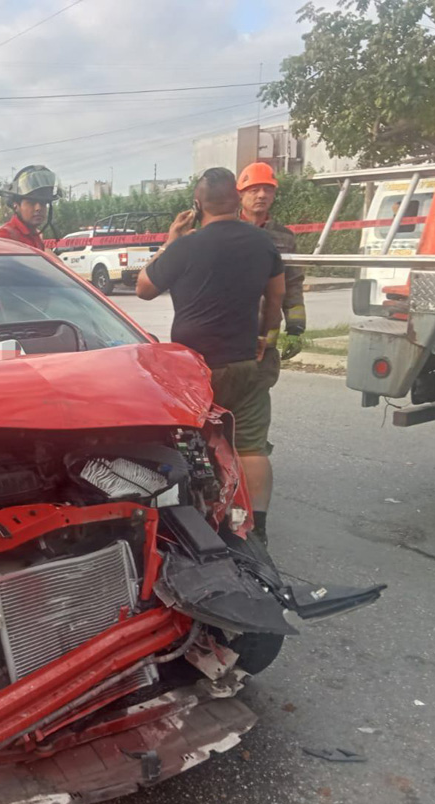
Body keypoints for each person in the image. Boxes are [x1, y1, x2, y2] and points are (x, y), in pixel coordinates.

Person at [135, 168, 285, 543]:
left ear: (197, 204)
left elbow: (143, 289)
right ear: (237, 201)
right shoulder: (261, 242)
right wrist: (266, 334)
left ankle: (197, 523)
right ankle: (256, 528)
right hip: (247, 360)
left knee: (191, 441)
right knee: (250, 447)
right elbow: (278, 294)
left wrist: (171, 241)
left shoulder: (186, 246)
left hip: (195, 367)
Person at [237, 161, 307, 369]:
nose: (261, 195)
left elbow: (293, 283)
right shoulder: (226, 230)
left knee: (259, 389)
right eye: (254, 190)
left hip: (266, 338)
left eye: (267, 190)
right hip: (229, 334)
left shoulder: (284, 237)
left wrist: (296, 329)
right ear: (240, 194)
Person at [0, 165, 61, 251]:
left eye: (43, 203)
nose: (38, 208)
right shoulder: (3, 237)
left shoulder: (36, 236)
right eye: (31, 202)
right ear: (16, 205)